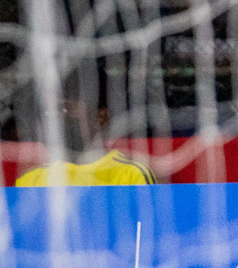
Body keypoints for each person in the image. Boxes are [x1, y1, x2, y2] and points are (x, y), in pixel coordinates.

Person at [14, 77, 156, 186]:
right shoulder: (30, 180)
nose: (57, 119)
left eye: (66, 109)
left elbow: (144, 224)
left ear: (101, 117)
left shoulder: (131, 173)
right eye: (50, 112)